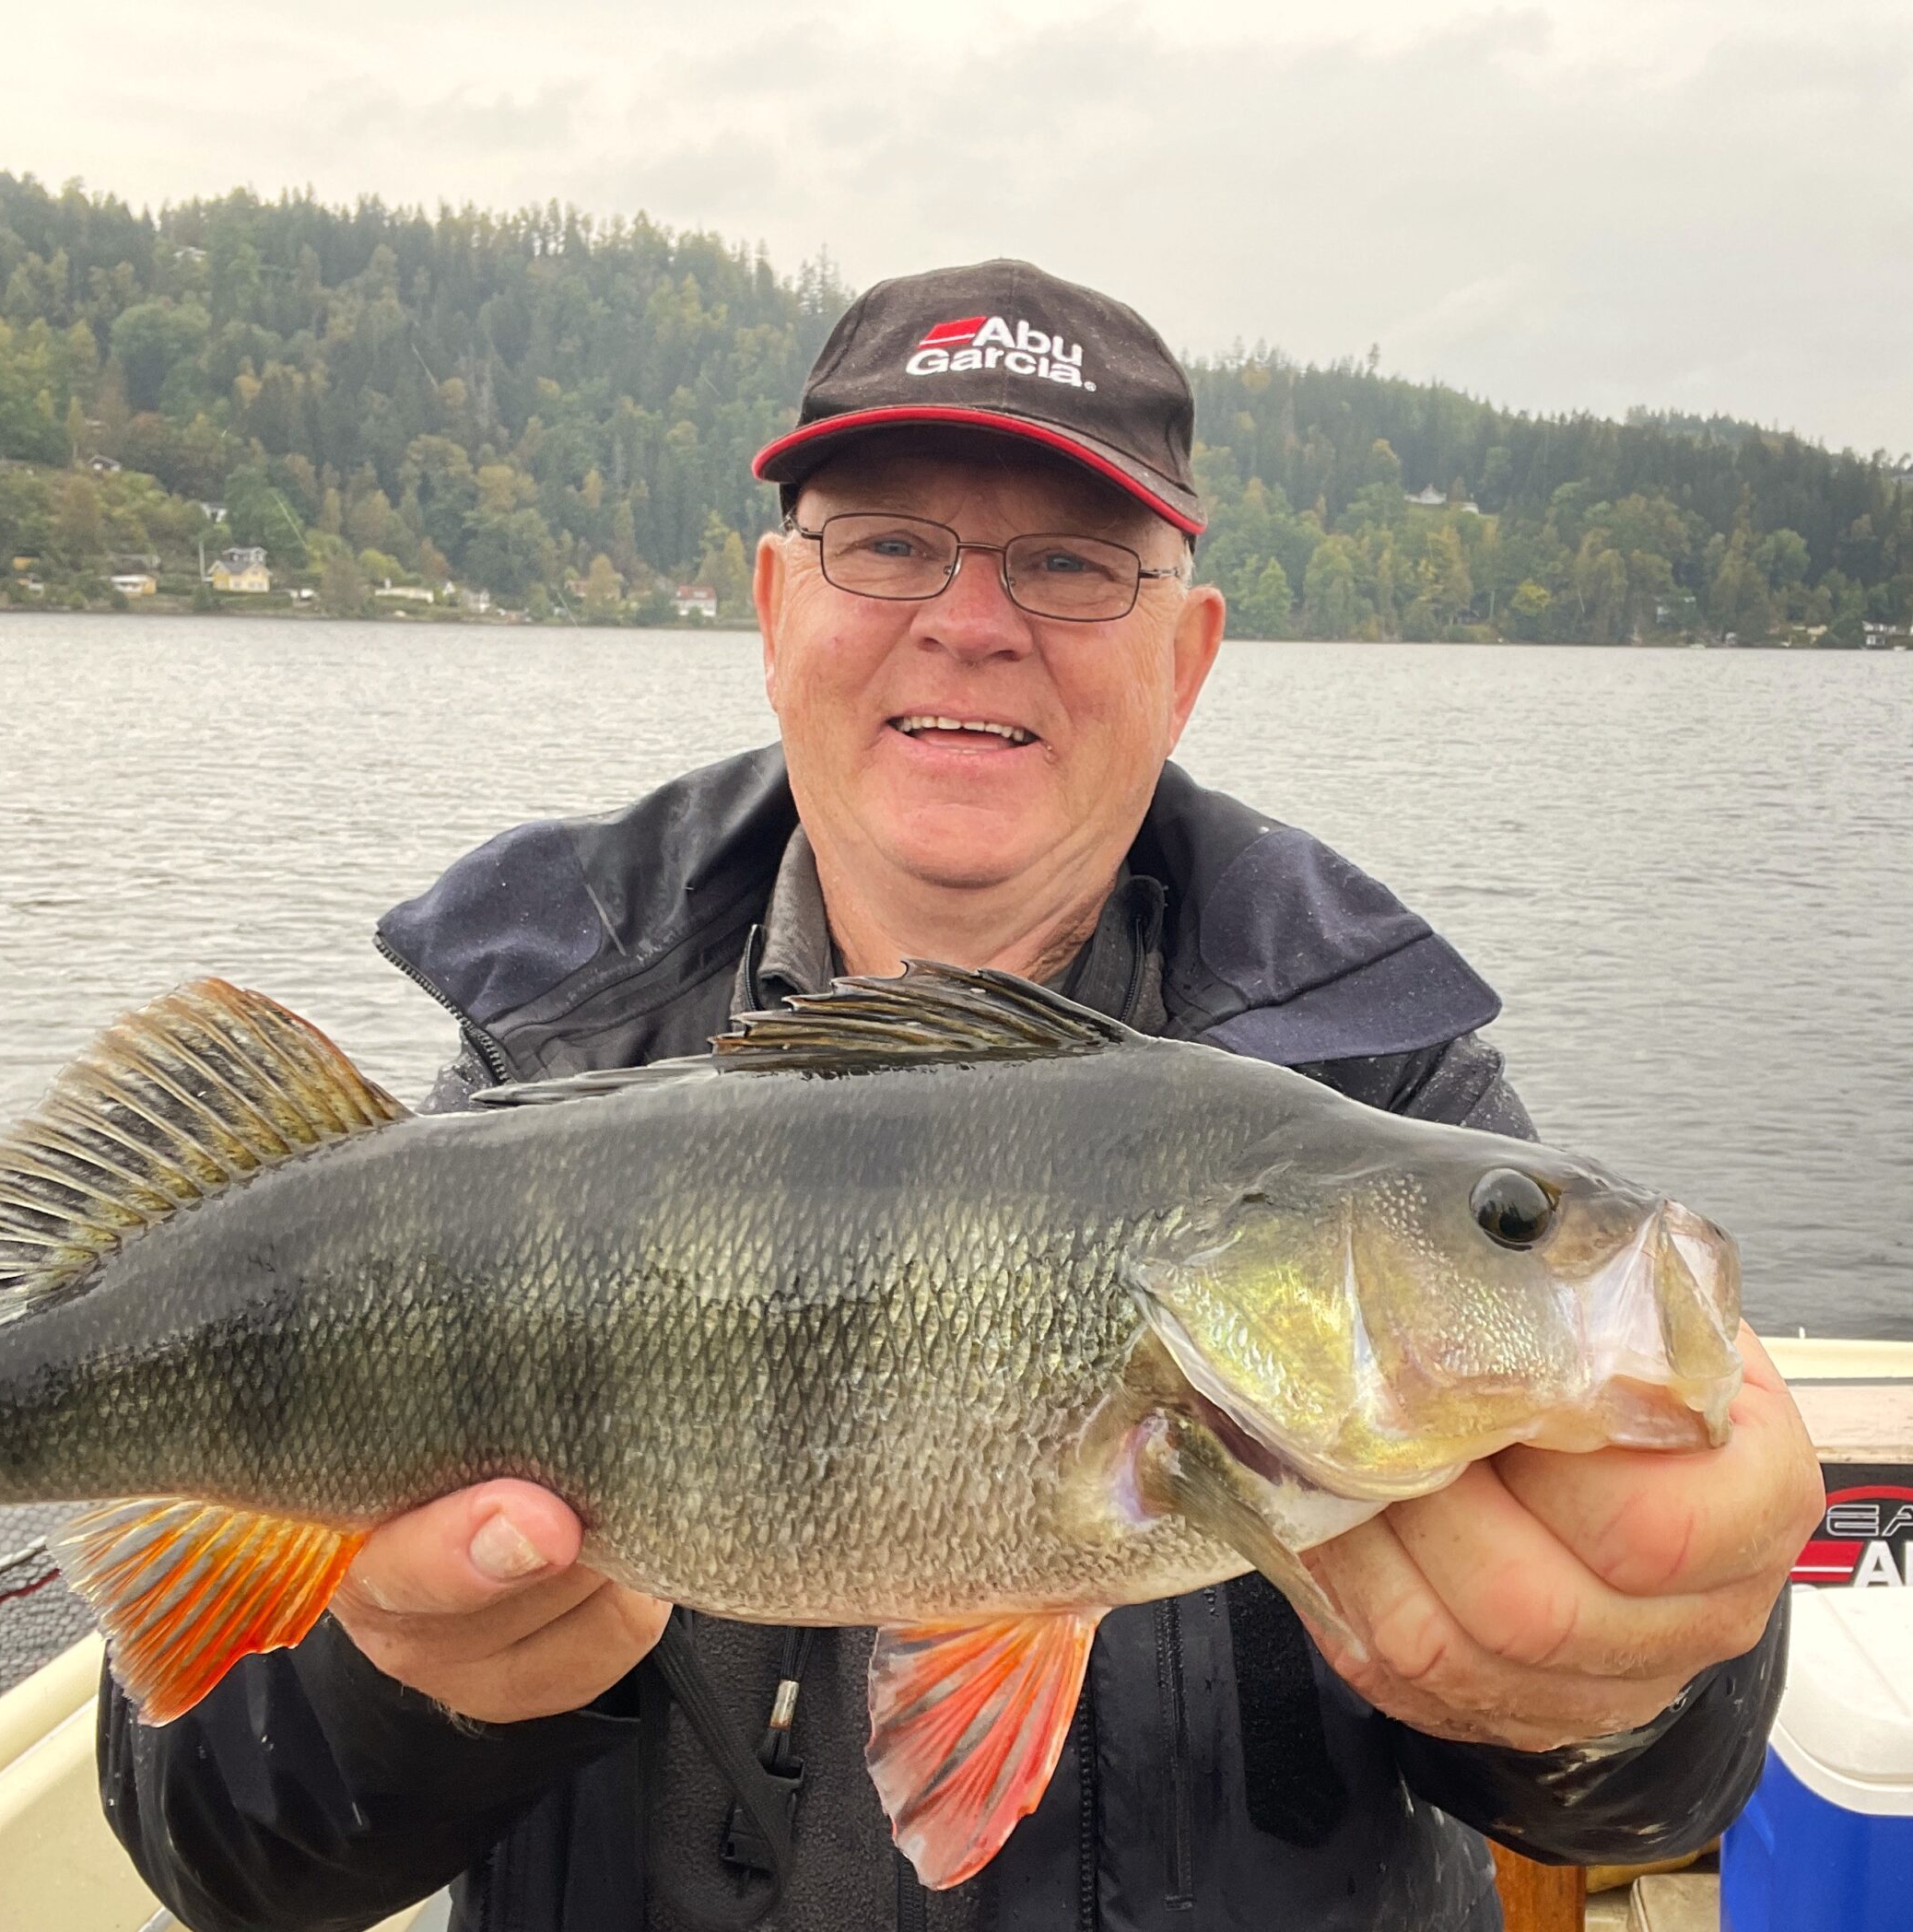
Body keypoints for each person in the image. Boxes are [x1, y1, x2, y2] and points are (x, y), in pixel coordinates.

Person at [99, 261, 1822, 1932]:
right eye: (890, 543)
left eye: (1072, 565)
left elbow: (1652, 1805)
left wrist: (1642, 1673)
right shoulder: (539, 1079)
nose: (973, 622)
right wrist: (407, 1686)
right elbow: (226, 1859)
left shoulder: (1377, 1080)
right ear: (776, 609)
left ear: (1191, 656)